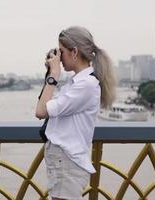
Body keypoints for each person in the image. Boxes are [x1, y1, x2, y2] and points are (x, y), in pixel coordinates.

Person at [36, 26, 116, 200]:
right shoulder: (75, 83)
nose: (59, 57)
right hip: (63, 160)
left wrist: (54, 75)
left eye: (61, 52)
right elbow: (45, 105)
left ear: (74, 52)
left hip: (67, 161)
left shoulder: (85, 85)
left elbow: (41, 111)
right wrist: (50, 74)